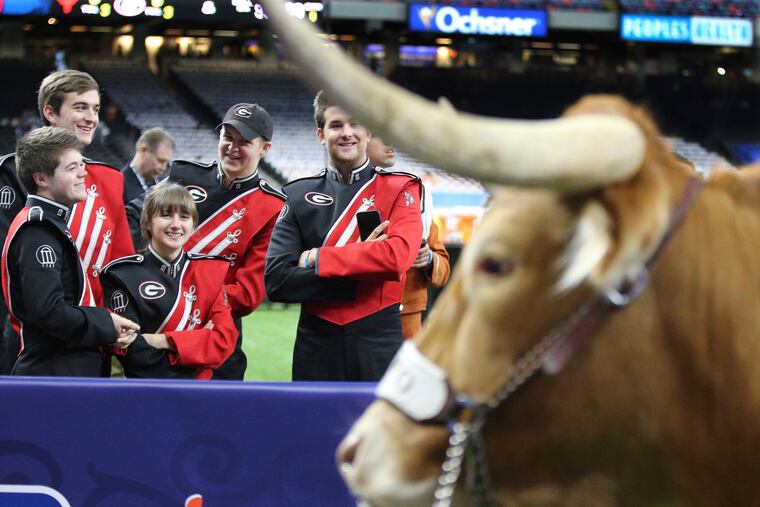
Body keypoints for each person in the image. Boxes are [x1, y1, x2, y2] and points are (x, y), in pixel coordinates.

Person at [265, 91, 423, 381]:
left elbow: (397, 258)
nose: (347, 133)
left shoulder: (402, 189)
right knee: (312, 426)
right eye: (336, 125)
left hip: (379, 342)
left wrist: (316, 257)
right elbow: (277, 281)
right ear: (320, 135)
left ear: (368, 131)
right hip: (316, 342)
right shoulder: (297, 195)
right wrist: (363, 268)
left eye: (355, 124)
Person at [126, 102, 285, 380]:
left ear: (265, 149)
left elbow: (248, 293)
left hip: (214, 335)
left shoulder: (272, 207)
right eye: (228, 138)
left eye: (244, 142)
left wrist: (186, 297)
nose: (233, 148)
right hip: (156, 319)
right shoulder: (184, 175)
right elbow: (132, 214)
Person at [0, 69, 135, 374]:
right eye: (80, 107)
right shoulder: (12, 174)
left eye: (96, 109)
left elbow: (121, 266)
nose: (91, 118)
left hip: (97, 342)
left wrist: (115, 327)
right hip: (34, 344)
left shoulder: (111, 180)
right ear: (50, 112)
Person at [102, 183, 238, 379]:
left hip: (198, 392)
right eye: (166, 215)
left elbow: (223, 343)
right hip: (143, 391)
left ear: (193, 225)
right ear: (147, 222)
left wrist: (163, 340)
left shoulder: (211, 272)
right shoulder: (122, 275)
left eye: (184, 217)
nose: (176, 224)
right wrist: (197, 346)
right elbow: (133, 353)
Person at [366, 135, 451, 339]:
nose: (391, 142)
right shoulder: (342, 192)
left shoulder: (417, 192)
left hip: (406, 318)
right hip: (360, 313)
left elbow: (444, 269)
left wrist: (429, 259)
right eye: (380, 135)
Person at [122, 127, 175, 203]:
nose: (163, 168)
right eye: (160, 161)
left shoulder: (165, 184)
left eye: (166, 162)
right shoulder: (120, 184)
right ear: (143, 150)